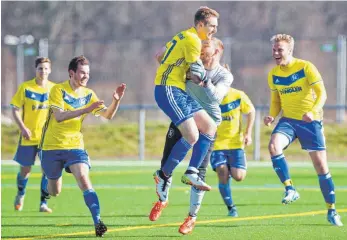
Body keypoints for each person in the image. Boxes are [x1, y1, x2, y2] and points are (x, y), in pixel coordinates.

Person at [150, 37, 233, 235]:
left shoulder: (224, 75)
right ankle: (162, 200)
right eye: (201, 48)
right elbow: (162, 58)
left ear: (217, 52)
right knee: (166, 165)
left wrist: (203, 80)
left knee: (199, 174)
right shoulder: (190, 64)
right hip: (184, 116)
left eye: (207, 49)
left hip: (207, 125)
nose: (203, 53)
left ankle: (191, 217)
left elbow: (217, 97)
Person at [39, 55, 126, 237]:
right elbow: (59, 117)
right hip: (51, 147)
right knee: (54, 191)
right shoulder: (58, 90)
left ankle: (98, 221)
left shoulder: (89, 94)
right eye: (82, 73)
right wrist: (87, 109)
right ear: (72, 73)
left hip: (75, 146)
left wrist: (116, 101)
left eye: (88, 73)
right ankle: (46, 184)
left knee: (84, 179)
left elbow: (107, 115)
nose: (86, 76)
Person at [263, 34, 343, 226]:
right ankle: (290, 189)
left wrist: (313, 112)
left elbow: (322, 94)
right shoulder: (273, 74)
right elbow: (276, 101)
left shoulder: (306, 67)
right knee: (274, 146)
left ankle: (331, 210)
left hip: (310, 122)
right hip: (289, 121)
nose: (275, 53)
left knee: (322, 168)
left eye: (279, 49)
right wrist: (272, 115)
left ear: (290, 50)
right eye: (274, 49)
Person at [152, 7, 219, 214]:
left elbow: (159, 55)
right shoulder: (193, 40)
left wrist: (178, 68)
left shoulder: (183, 35)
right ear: (200, 24)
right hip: (168, 89)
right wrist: (205, 79)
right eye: (212, 26)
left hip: (176, 89)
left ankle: (191, 171)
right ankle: (163, 175)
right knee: (192, 135)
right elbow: (198, 75)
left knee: (209, 126)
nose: (214, 31)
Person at [10, 57, 55, 213]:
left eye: (45, 68)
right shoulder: (26, 87)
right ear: (35, 70)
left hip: (47, 139)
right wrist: (22, 128)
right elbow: (15, 109)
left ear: (50, 70)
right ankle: (21, 193)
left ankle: (43, 203)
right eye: (40, 68)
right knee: (25, 171)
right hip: (28, 138)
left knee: (47, 170)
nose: (43, 71)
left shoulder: (55, 89)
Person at [210, 87, 255, 217]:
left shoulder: (238, 95)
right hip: (218, 144)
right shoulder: (208, 96)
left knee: (239, 176)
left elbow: (251, 111)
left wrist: (248, 133)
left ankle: (230, 169)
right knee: (222, 170)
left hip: (236, 143)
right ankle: (231, 207)